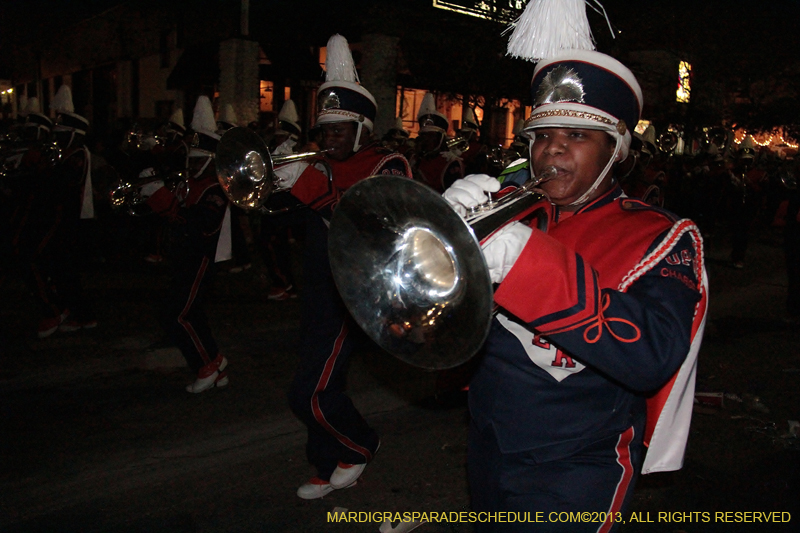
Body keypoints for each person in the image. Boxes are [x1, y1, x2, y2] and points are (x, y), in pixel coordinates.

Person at [445, 50, 708, 531]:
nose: (552, 150)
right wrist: (446, 240)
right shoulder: (513, 213)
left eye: (577, 136)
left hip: (580, 461)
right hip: (488, 440)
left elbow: (653, 355)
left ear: (616, 151)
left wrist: (525, 262)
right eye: (541, 136)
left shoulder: (661, 235)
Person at [274, 34, 411, 500]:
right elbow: (284, 218)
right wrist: (276, 183)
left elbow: (379, 225)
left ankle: (360, 444)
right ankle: (326, 460)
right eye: (324, 131)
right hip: (317, 289)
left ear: (363, 130)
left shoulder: (387, 162)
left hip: (354, 295)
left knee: (309, 391)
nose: (329, 139)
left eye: (339, 130)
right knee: (314, 378)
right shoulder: (318, 164)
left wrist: (317, 186)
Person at [142, 95, 231, 393]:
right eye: (189, 160)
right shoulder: (192, 184)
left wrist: (164, 200)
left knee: (176, 314)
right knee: (189, 314)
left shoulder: (215, 188)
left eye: (196, 160)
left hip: (199, 260)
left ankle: (206, 365)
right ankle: (215, 363)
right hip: (183, 257)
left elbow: (200, 225)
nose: (190, 165)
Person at [409, 92, 464, 193]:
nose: (425, 140)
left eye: (430, 136)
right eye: (423, 135)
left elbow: (452, 195)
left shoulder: (450, 162)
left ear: (440, 139)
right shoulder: (415, 159)